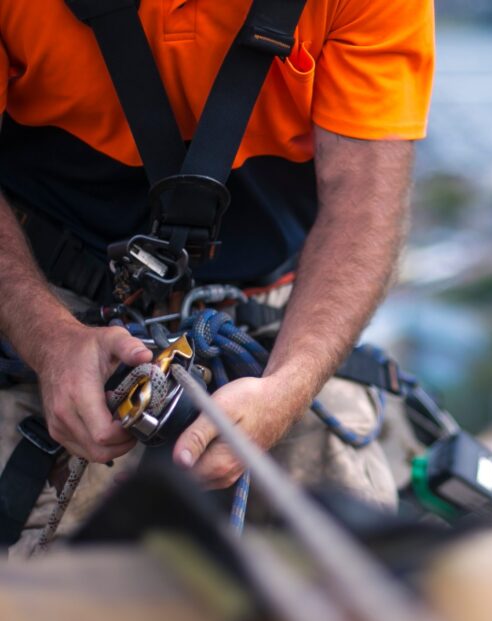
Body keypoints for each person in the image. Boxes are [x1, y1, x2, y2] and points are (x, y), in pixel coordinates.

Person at [0, 1, 435, 554]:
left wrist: (289, 387)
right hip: (47, 296)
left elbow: (363, 211)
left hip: (277, 318)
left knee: (356, 560)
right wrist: (49, 340)